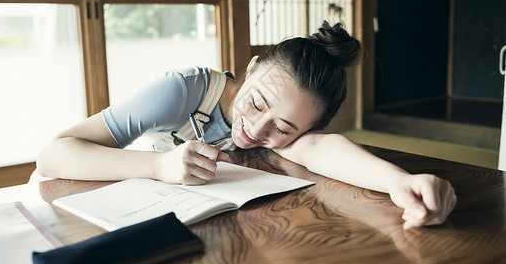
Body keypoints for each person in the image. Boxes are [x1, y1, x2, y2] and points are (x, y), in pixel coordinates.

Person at [36, 21, 456, 230]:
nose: (256, 130)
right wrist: (159, 166)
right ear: (252, 68)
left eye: (284, 129)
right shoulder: (183, 91)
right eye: (255, 102)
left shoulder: (296, 130)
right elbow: (53, 154)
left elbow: (324, 150)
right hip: (104, 209)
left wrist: (399, 181)